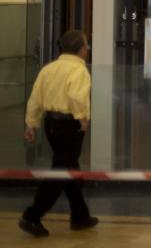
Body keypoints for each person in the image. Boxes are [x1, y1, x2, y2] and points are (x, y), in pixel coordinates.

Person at [20, 30, 98, 237]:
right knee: (61, 171)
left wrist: (31, 124)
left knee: (70, 168)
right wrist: (82, 119)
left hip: (51, 125)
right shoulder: (79, 71)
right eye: (86, 46)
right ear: (82, 50)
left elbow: (36, 98)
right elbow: (77, 96)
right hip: (70, 126)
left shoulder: (49, 69)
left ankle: (80, 215)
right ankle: (32, 215)